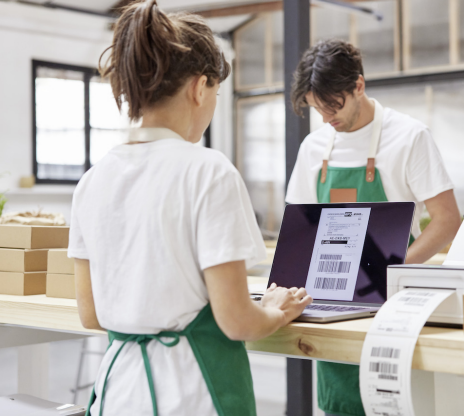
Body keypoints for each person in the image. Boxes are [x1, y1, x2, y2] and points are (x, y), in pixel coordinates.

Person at [67, 2, 313, 415]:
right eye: (216, 92)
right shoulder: (207, 170)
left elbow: (91, 315)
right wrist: (272, 310)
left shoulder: (93, 181)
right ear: (200, 88)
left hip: (118, 394)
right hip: (193, 395)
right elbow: (238, 321)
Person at [286, 39, 461, 416]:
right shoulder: (313, 147)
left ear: (359, 86)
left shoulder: (409, 136)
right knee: (344, 404)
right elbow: (299, 227)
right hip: (333, 304)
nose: (325, 117)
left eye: (333, 105)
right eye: (317, 108)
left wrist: (389, 272)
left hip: (397, 305)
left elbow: (447, 220)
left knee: (398, 400)